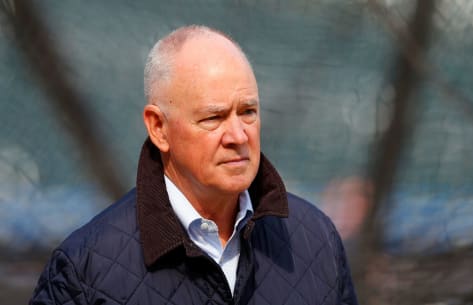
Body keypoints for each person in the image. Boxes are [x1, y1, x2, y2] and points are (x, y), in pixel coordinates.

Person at [30, 25, 358, 305]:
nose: (237, 135)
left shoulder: (317, 241)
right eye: (213, 118)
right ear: (159, 128)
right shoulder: (85, 270)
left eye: (248, 112)